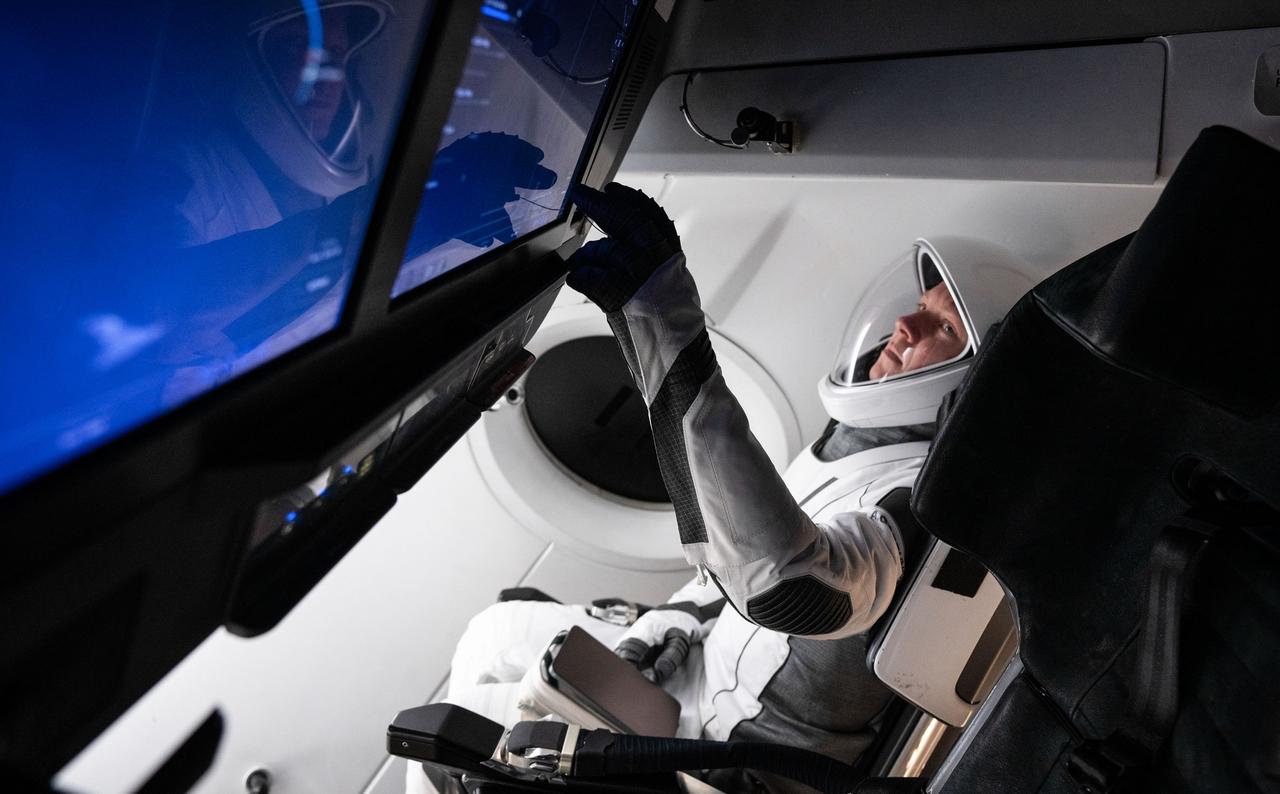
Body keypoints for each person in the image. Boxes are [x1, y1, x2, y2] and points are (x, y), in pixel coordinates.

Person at [408, 183, 1038, 793]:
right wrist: (672, 621)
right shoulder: (858, 444)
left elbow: (789, 589)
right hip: (695, 664)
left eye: (943, 328)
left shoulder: (920, 507)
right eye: (921, 307)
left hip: (722, 751)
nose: (904, 324)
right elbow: (726, 550)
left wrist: (662, 312)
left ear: (975, 382)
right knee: (492, 630)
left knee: (444, 735)